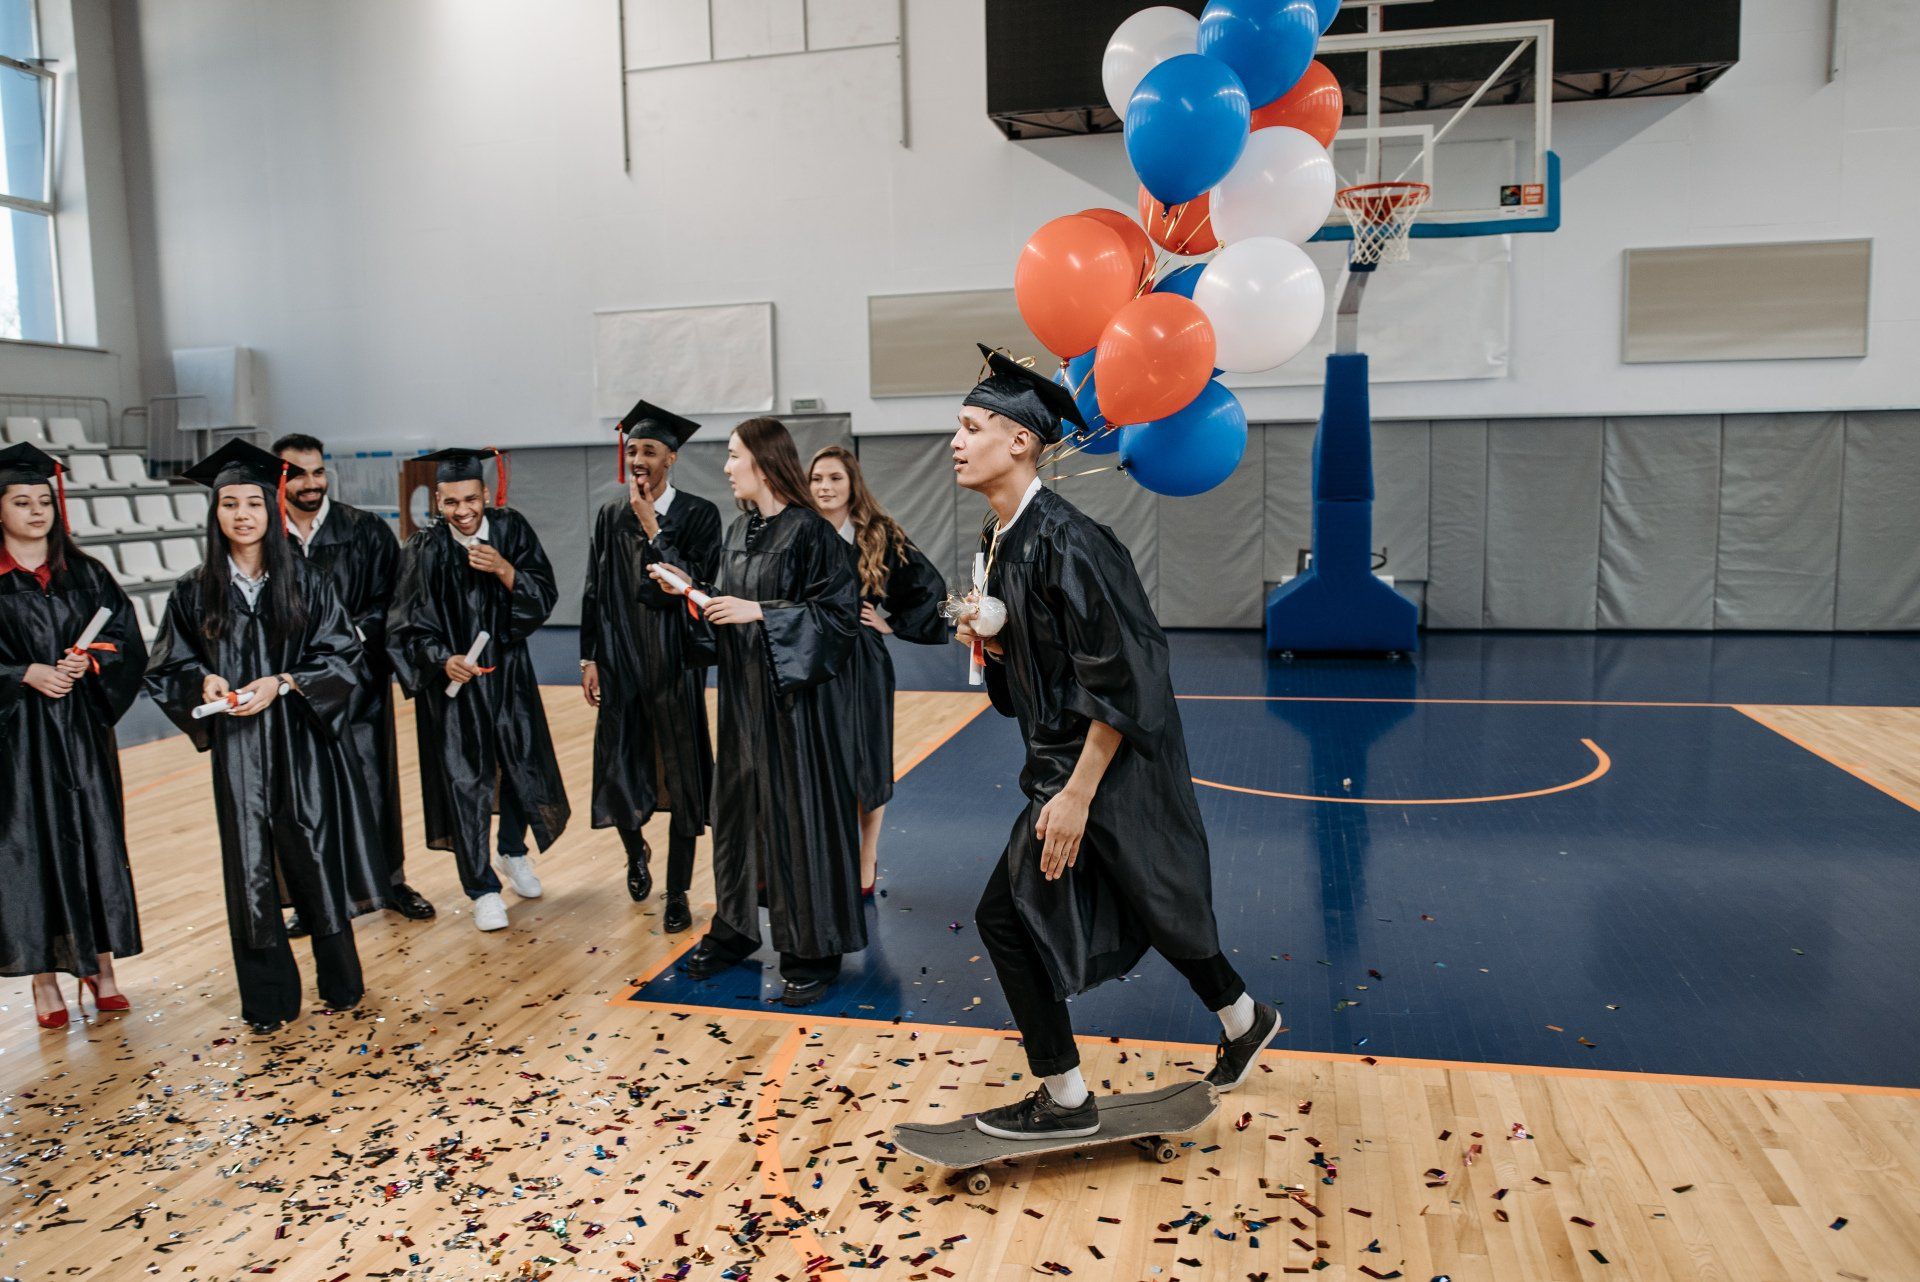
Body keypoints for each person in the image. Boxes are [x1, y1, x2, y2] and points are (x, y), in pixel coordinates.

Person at [947, 347, 1279, 1140]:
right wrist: (989, 644)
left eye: (970, 427)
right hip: (1063, 764)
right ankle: (1243, 1018)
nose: (954, 443)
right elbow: (1031, 675)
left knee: (1008, 916)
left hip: (1107, 768)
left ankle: (1064, 1100)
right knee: (1149, 898)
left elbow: (1128, 676)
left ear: (1022, 440)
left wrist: (1076, 795)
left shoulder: (1069, 540)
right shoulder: (1002, 542)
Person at [144, 440, 391, 1031]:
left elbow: (344, 656)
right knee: (250, 865)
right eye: (228, 504)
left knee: (311, 853)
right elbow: (167, 666)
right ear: (216, 515)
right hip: (238, 750)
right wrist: (201, 679)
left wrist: (283, 682)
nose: (242, 515)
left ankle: (340, 981)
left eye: (252, 502)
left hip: (303, 740)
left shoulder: (307, 581)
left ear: (271, 508)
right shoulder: (193, 589)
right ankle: (270, 999)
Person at [650, 417, 862, 1007]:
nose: (725, 466)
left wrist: (762, 614)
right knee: (738, 817)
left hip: (797, 715)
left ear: (764, 463)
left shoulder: (812, 536)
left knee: (797, 819)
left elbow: (839, 623)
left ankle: (812, 948)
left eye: (733, 455)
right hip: (743, 706)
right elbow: (727, 614)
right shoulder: (739, 532)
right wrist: (690, 594)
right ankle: (737, 928)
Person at [387, 447, 568, 932]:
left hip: (508, 674)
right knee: (465, 781)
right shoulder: (422, 549)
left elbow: (544, 594)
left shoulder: (511, 530)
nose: (463, 511)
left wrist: (506, 571)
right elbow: (404, 626)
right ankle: (482, 888)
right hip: (454, 685)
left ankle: (512, 851)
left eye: (471, 499)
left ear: (486, 494)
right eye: (451, 503)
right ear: (438, 504)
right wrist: (440, 660)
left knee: (518, 766)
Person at [0, 443, 147, 1030]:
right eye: (20, 501)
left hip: (82, 734)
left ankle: (102, 969)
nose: (36, 512)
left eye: (43, 501)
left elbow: (126, 641)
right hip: (16, 741)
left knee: (94, 839)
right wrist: (20, 674)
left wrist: (94, 665)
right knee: (28, 849)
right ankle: (43, 979)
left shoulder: (86, 574)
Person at [273, 433, 434, 930]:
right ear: (277, 478)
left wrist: (349, 638)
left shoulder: (362, 530)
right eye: (297, 473)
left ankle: (390, 880)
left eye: (318, 472)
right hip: (291, 687)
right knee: (302, 793)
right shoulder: (264, 537)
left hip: (358, 676)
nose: (311, 483)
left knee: (372, 777)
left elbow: (396, 601)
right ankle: (309, 896)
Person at [581, 401, 721, 934]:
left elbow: (699, 587)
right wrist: (589, 655)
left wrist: (652, 525)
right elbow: (595, 588)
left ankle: (678, 891)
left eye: (650, 451)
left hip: (675, 665)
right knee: (619, 769)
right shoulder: (609, 515)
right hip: (619, 663)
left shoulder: (699, 515)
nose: (638, 458)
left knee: (682, 778)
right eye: (633, 449)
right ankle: (634, 849)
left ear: (672, 459)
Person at [806, 445, 948, 895]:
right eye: (817, 479)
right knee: (823, 762)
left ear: (852, 485)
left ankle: (866, 857)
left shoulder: (877, 532)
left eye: (834, 478)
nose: (825, 487)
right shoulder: (798, 531)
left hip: (862, 661)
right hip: (810, 660)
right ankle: (827, 857)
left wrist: (891, 622)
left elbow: (929, 588)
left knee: (866, 760)